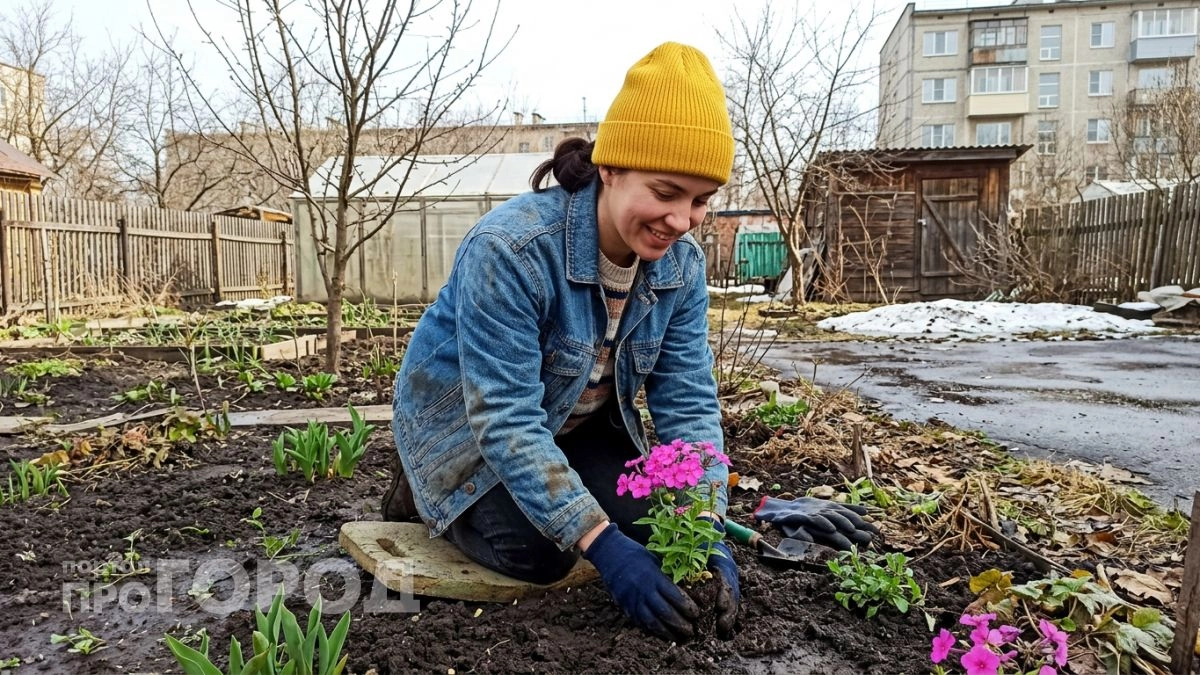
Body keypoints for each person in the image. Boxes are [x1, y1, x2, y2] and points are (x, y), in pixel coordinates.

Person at [384, 42, 738, 642]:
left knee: (657, 528)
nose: (681, 221)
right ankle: (423, 489)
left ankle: (567, 497)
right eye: (665, 192)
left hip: (572, 427)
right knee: (543, 555)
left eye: (700, 200)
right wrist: (600, 543)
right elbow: (504, 415)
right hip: (467, 434)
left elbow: (688, 401)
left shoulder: (682, 267)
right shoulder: (513, 250)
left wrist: (709, 528)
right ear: (612, 169)